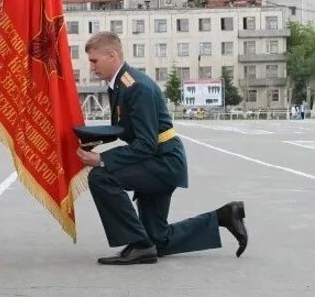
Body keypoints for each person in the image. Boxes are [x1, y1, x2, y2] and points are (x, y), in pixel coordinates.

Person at [76, 31, 248, 265]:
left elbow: (146, 143)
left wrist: (102, 159)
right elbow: (125, 128)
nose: (92, 67)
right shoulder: (120, 84)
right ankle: (224, 216)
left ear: (112, 55)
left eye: (94, 61)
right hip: (155, 159)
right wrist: (90, 137)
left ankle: (139, 245)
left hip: (162, 162)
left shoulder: (136, 86)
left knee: (101, 176)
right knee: (159, 240)